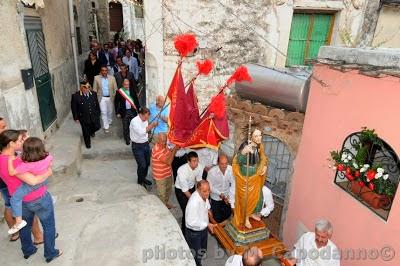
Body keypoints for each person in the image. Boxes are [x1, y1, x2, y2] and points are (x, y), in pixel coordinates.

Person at [0, 130, 61, 262]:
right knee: (49, 226)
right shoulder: (17, 163)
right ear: (11, 143)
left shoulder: (4, 159)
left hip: (19, 201)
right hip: (38, 198)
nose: (23, 142)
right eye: (20, 141)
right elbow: (33, 181)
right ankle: (50, 253)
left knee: (24, 226)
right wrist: (48, 172)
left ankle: (28, 250)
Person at [6, 137, 53, 235]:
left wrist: (10, 160)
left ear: (25, 151)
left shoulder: (27, 165)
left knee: (14, 198)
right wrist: (47, 171)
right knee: (49, 225)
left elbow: (11, 172)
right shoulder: (48, 157)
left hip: (30, 186)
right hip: (43, 182)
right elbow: (50, 164)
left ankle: (19, 221)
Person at [233, 129, 268, 229]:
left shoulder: (260, 146)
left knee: (258, 197)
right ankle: (245, 217)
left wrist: (264, 166)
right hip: (246, 174)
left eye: (260, 135)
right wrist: (243, 152)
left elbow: (263, 158)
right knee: (246, 198)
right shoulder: (245, 145)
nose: (259, 138)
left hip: (256, 175)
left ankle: (251, 213)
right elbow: (238, 161)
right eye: (256, 136)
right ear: (251, 137)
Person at [185, 180, 217, 266]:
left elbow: (206, 203)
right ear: (198, 190)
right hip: (194, 233)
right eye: (204, 191)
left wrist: (209, 209)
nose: (207, 193)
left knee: (203, 248)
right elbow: (191, 222)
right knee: (196, 254)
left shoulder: (203, 195)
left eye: (208, 190)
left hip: (203, 228)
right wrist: (207, 224)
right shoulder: (193, 203)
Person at [175, 151, 204, 232]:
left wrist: (201, 194)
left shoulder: (199, 167)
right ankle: (184, 230)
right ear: (188, 162)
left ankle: (193, 224)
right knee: (186, 210)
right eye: (194, 161)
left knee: (194, 208)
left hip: (191, 188)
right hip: (180, 190)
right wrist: (195, 200)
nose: (197, 163)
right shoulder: (182, 170)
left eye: (197, 160)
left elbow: (199, 181)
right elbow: (185, 190)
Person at [129, 107, 158, 187]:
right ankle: (140, 181)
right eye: (145, 117)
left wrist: (149, 132)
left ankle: (143, 178)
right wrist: (151, 125)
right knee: (142, 165)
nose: (146, 119)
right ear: (140, 114)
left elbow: (146, 131)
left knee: (147, 163)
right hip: (137, 146)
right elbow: (141, 132)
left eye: (148, 118)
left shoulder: (145, 120)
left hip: (145, 144)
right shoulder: (134, 121)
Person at [151, 133, 178, 209]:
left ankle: (165, 203)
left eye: (165, 140)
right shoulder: (156, 150)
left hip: (167, 173)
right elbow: (168, 161)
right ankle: (162, 209)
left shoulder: (166, 146)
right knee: (162, 194)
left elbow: (169, 153)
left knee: (168, 190)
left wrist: (174, 149)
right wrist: (174, 150)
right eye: (163, 141)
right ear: (158, 141)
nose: (165, 143)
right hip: (160, 176)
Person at [71, 81, 101, 148]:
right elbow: (74, 108)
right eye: (85, 88)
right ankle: (88, 145)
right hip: (83, 116)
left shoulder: (93, 94)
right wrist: (76, 118)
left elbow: (97, 104)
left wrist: (98, 112)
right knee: (85, 131)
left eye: (88, 87)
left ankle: (91, 132)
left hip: (93, 115)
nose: (87, 89)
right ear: (82, 88)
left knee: (97, 126)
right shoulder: (76, 96)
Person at [207, 154, 234, 224]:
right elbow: (209, 186)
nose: (224, 166)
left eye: (226, 163)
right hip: (215, 197)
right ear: (218, 163)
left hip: (227, 196)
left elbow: (233, 183)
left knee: (227, 214)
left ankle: (223, 229)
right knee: (217, 217)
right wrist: (219, 193)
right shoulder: (211, 172)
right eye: (222, 164)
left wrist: (229, 195)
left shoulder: (231, 169)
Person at [93, 65, 118, 133]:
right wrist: (95, 99)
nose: (104, 72)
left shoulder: (112, 78)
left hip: (110, 98)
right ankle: (106, 126)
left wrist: (113, 95)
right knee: (103, 112)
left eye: (105, 70)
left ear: (107, 71)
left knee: (110, 111)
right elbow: (94, 89)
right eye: (103, 70)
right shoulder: (96, 78)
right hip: (101, 98)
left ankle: (109, 120)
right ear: (101, 71)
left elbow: (115, 89)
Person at [115, 78, 140, 145]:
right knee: (125, 126)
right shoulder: (119, 91)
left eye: (128, 85)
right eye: (125, 85)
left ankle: (134, 138)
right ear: (123, 84)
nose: (127, 86)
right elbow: (116, 102)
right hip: (124, 111)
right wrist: (117, 112)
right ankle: (127, 139)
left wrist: (138, 109)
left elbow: (136, 100)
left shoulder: (132, 90)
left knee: (134, 125)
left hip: (132, 111)